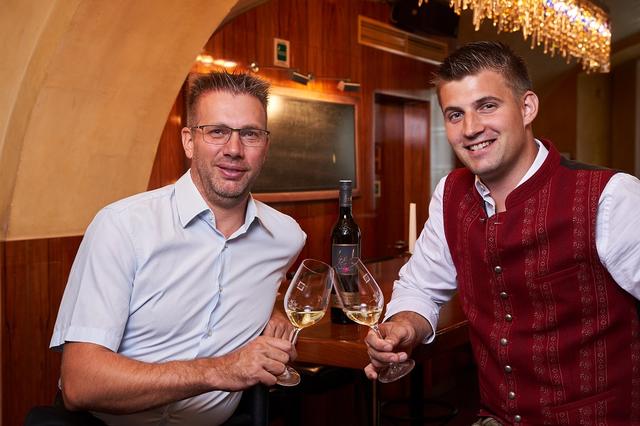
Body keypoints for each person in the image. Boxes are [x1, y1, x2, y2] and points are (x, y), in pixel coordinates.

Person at [365, 41, 640, 425]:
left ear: (527, 108)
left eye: (487, 106)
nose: (471, 128)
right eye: (455, 114)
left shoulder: (611, 196)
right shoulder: (450, 194)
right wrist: (401, 327)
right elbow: (421, 287)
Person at [50, 71, 306, 425]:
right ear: (188, 141)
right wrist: (219, 371)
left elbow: (271, 282)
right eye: (217, 131)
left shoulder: (285, 236)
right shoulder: (123, 226)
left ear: (265, 146)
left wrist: (273, 310)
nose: (234, 149)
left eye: (250, 134)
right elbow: (81, 384)